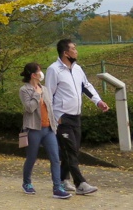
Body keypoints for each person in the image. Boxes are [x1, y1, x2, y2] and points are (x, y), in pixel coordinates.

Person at [44, 38, 109, 195]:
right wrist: (53, 117)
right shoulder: (54, 70)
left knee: (73, 150)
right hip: (62, 117)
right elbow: (48, 95)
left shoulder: (78, 69)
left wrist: (98, 101)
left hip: (75, 116)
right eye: (74, 49)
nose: (76, 51)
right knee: (70, 150)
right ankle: (81, 183)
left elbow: (86, 86)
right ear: (66, 53)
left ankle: (62, 179)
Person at [19, 62, 69, 199]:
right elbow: (29, 108)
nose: (41, 73)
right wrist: (36, 95)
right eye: (39, 71)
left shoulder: (45, 89)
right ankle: (27, 183)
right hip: (34, 129)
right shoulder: (25, 90)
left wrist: (54, 125)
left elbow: (50, 108)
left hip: (48, 129)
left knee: (55, 158)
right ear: (33, 75)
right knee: (31, 157)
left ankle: (57, 187)